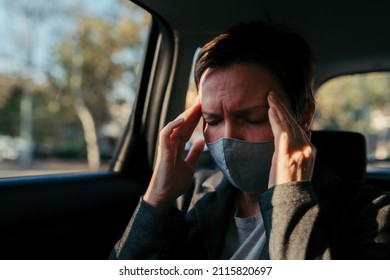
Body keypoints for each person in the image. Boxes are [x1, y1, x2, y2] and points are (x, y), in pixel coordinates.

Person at [110, 20, 390, 259]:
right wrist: (157, 199)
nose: (228, 138)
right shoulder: (189, 197)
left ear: (303, 117)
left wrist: (290, 196)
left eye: (253, 118)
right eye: (213, 121)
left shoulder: (371, 214)